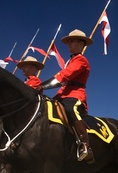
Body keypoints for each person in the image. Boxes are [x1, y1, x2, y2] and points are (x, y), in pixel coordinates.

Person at [37, 29, 94, 163]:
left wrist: (42, 86)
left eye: (72, 42)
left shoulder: (81, 60)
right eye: (68, 42)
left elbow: (64, 76)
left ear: (81, 44)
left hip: (75, 95)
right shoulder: (71, 60)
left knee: (70, 109)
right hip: (61, 95)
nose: (69, 45)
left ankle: (85, 145)